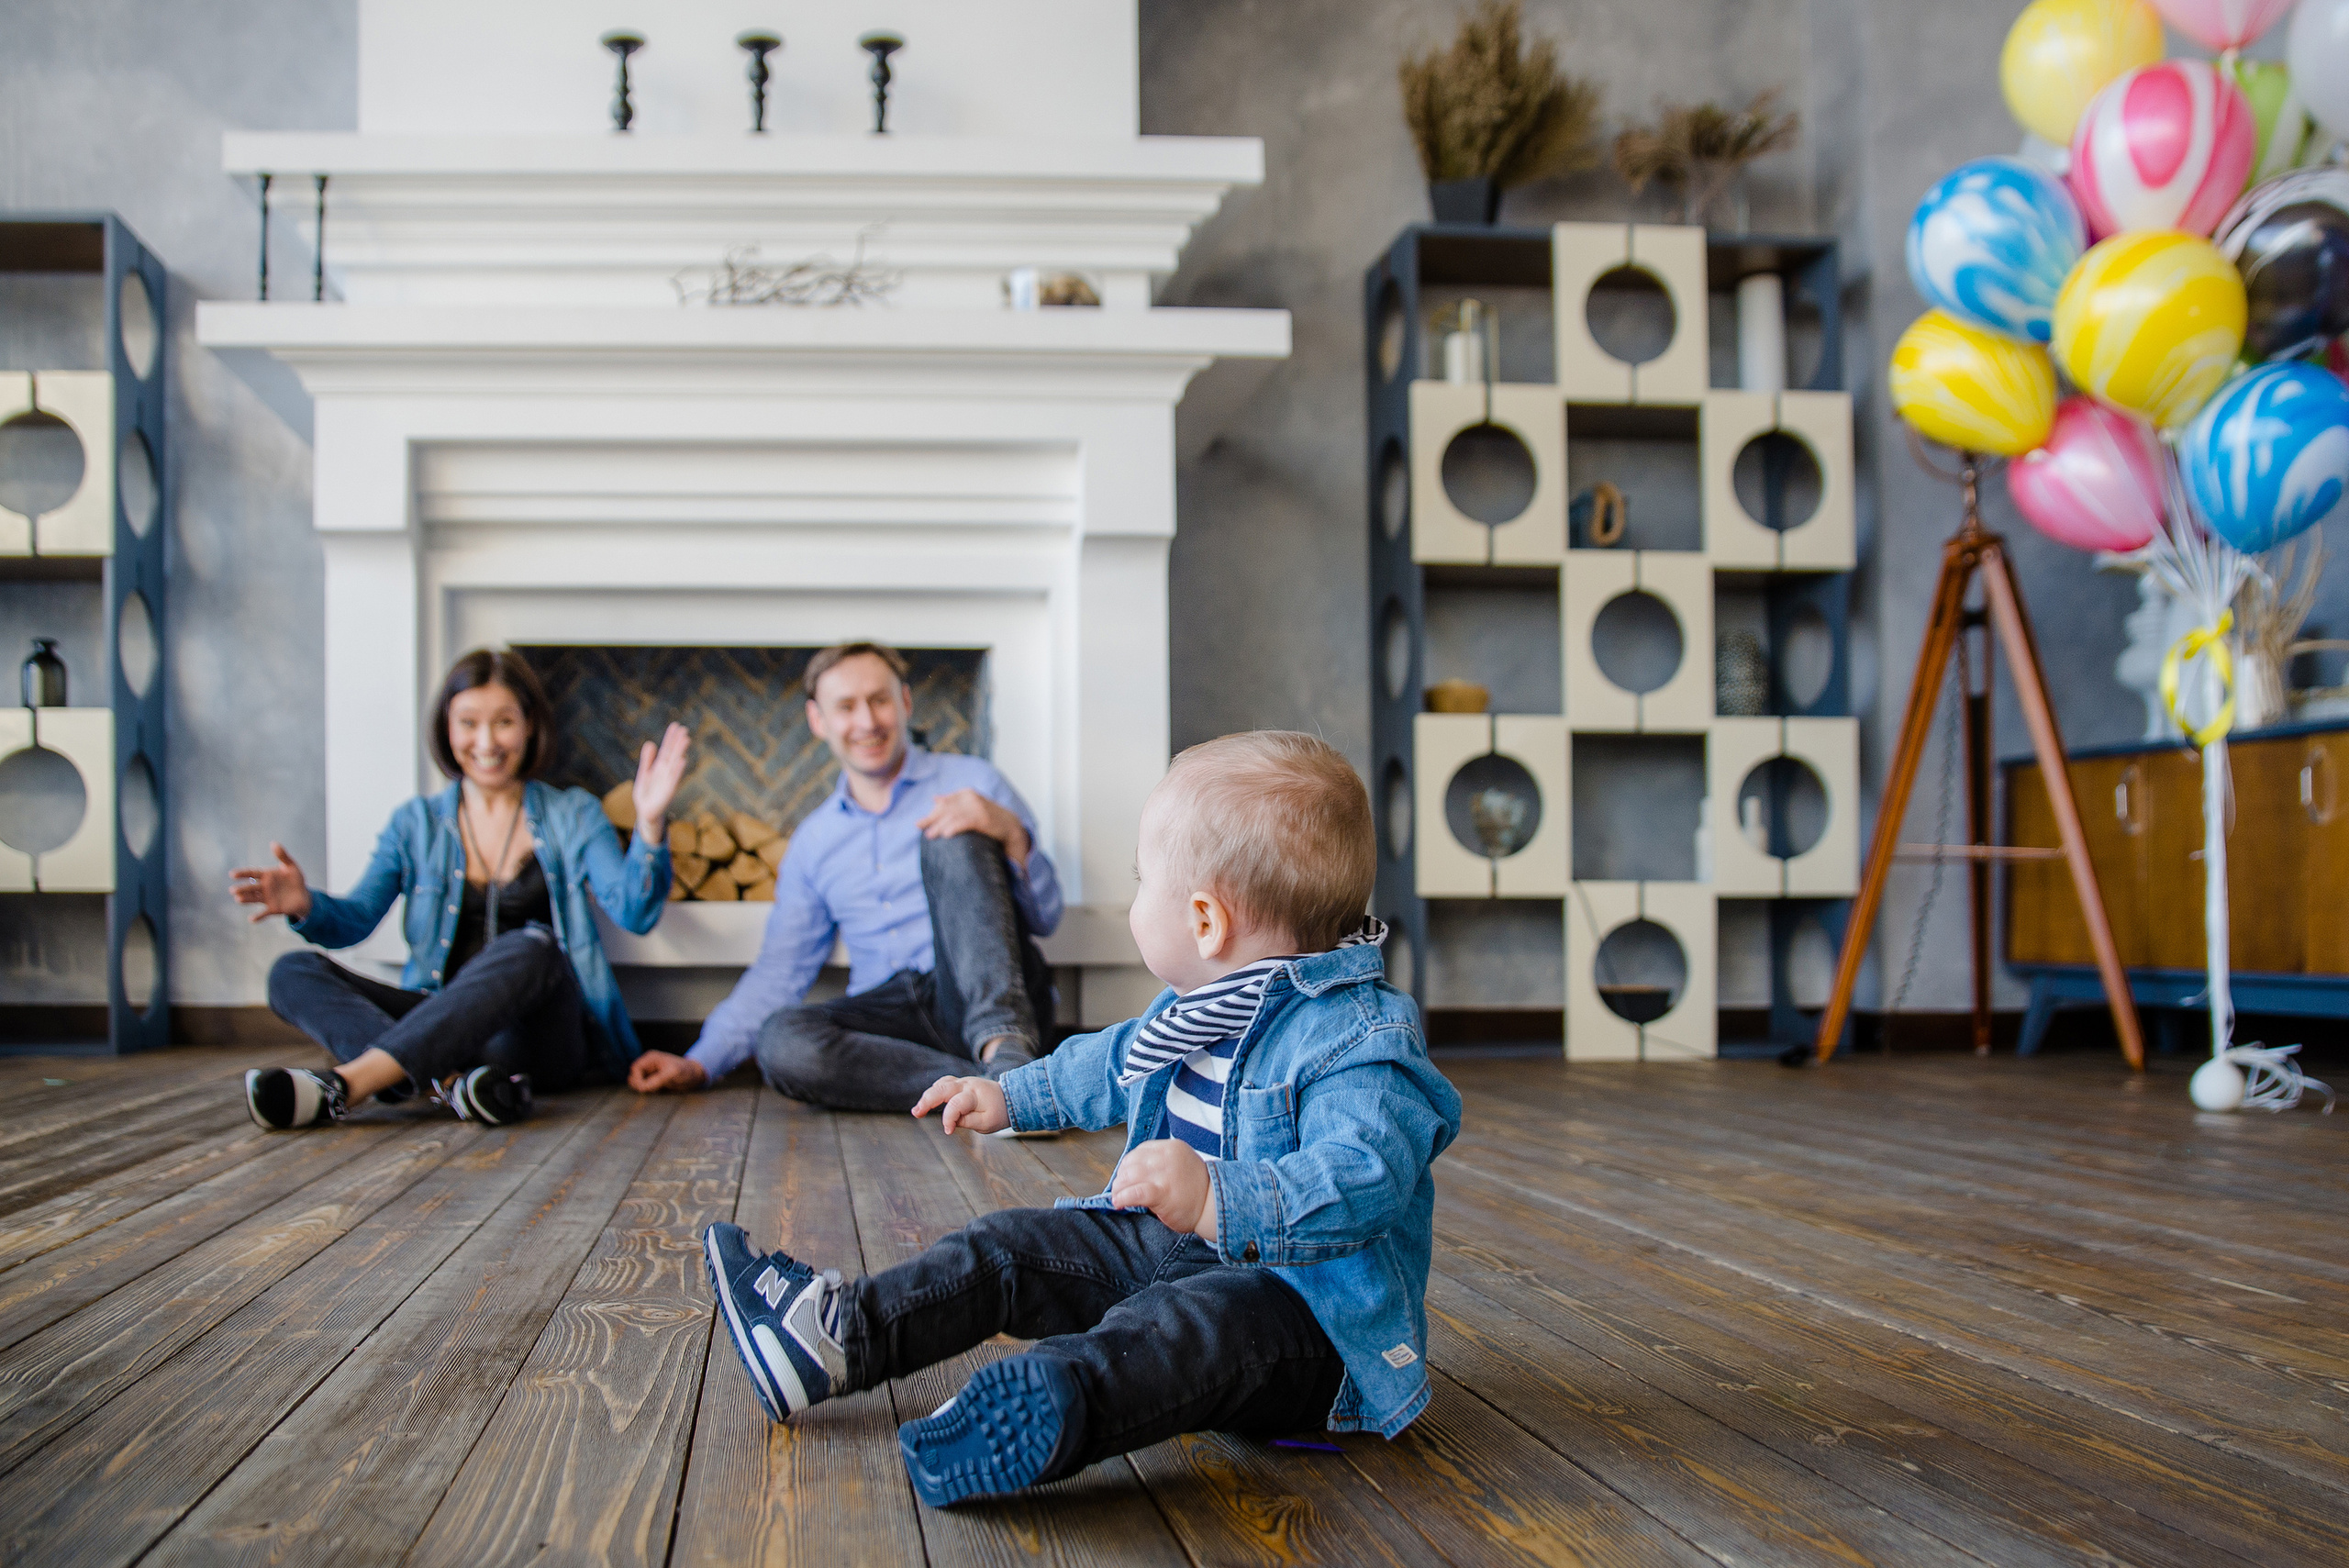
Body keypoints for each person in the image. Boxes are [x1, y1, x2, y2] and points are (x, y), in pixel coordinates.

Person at [700, 730, 1462, 1507]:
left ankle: (1045, 1402)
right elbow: (1106, 1059)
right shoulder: (1200, 1006)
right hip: (1176, 1244)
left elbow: (1365, 1177)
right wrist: (1009, 1095)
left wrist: (1217, 1197)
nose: (1136, 898)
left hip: (1306, 1321)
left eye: (1141, 882)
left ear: (1205, 921)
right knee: (1008, 1246)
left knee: (1180, 1329)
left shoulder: (1362, 1038)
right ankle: (831, 1334)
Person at [231, 648, 689, 1129]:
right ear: (447, 730)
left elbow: (636, 912)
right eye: (469, 723)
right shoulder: (415, 824)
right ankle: (453, 1086)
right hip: (439, 1022)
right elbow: (356, 919)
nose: (487, 741)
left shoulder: (574, 814)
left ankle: (348, 1085)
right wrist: (306, 906)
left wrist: (651, 823)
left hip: (537, 1037)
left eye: (504, 722)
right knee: (291, 971)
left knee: (535, 944)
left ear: (530, 725)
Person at [626, 641, 1063, 1110]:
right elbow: (780, 973)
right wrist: (699, 1062)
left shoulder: (975, 781)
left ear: (905, 703)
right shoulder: (814, 842)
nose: (867, 722)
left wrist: (1014, 836)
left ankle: (1007, 1062)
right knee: (782, 1040)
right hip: (894, 1015)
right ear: (819, 721)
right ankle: (998, 1090)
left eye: (879, 700)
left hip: (989, 992)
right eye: (846, 707)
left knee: (951, 830)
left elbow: (1046, 918)